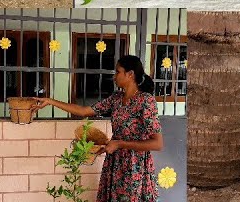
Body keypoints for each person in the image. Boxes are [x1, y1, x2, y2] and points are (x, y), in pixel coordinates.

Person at [30, 55, 165, 201]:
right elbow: (83, 111)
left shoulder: (146, 101)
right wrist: (50, 101)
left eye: (118, 72)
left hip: (135, 166)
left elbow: (157, 143)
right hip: (115, 163)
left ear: (130, 74)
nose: (114, 77)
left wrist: (119, 144)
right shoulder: (116, 98)